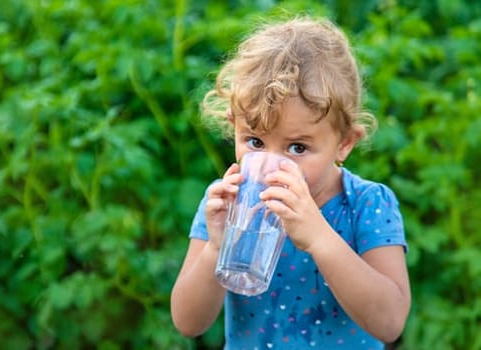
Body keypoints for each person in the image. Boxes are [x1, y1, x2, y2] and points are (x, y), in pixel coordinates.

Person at [169, 16, 410, 348]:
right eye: (254, 141)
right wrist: (215, 247)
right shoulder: (229, 204)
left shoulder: (367, 204)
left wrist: (318, 235)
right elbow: (187, 322)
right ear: (233, 126)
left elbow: (390, 322)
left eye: (298, 148)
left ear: (344, 143)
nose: (271, 168)